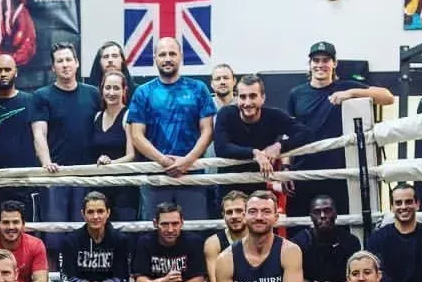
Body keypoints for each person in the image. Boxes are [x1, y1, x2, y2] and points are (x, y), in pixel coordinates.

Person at [285, 41, 395, 215]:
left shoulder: (345, 87)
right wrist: (286, 169)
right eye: (316, 60)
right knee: (300, 226)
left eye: (325, 60)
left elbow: (387, 97)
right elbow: (288, 133)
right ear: (310, 64)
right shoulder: (296, 94)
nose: (320, 65)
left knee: (339, 225)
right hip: (303, 171)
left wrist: (352, 93)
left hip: (338, 173)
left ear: (334, 63)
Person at [129, 36, 217, 220]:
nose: (167, 58)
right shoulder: (143, 92)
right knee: (155, 233)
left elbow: (208, 130)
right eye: (162, 54)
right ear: (155, 59)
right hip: (155, 174)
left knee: (193, 231)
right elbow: (137, 135)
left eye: (172, 53)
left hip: (192, 174)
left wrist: (188, 161)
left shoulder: (198, 89)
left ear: (181, 56)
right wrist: (163, 161)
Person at [32, 42, 101, 240]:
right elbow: (39, 133)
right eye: (59, 61)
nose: (65, 65)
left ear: (77, 63)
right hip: (56, 175)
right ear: (53, 67)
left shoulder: (93, 94)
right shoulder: (42, 96)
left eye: (68, 59)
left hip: (88, 175)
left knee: (88, 233)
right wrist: (46, 162)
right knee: (55, 235)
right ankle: (53, 273)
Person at [213, 74, 311, 187]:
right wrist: (255, 153)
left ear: (263, 98)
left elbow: (305, 134)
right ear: (237, 98)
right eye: (243, 97)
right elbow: (221, 148)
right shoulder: (226, 114)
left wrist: (279, 146)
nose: (247, 103)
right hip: (230, 186)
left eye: (253, 96)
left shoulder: (273, 116)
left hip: (261, 186)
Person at [293, 194, 360, 282]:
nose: (323, 215)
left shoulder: (350, 241)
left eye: (327, 210)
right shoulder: (299, 242)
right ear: (311, 216)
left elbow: (359, 275)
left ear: (335, 213)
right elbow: (294, 277)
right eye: (317, 212)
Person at [0, 54, 38, 209]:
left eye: (7, 70)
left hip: (25, 180)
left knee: (27, 229)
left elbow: (40, 137)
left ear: (15, 72)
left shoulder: (31, 101)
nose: (3, 74)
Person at [91, 71, 138, 222]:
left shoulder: (128, 116)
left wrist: (110, 164)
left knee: (124, 233)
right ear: (102, 89)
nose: (111, 92)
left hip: (124, 189)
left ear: (124, 90)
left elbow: (132, 156)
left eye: (116, 88)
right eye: (108, 87)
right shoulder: (97, 116)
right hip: (100, 188)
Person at [203, 190, 249, 282]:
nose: (234, 216)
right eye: (229, 212)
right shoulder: (213, 243)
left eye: (239, 211)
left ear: (248, 212)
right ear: (223, 215)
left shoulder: (260, 238)